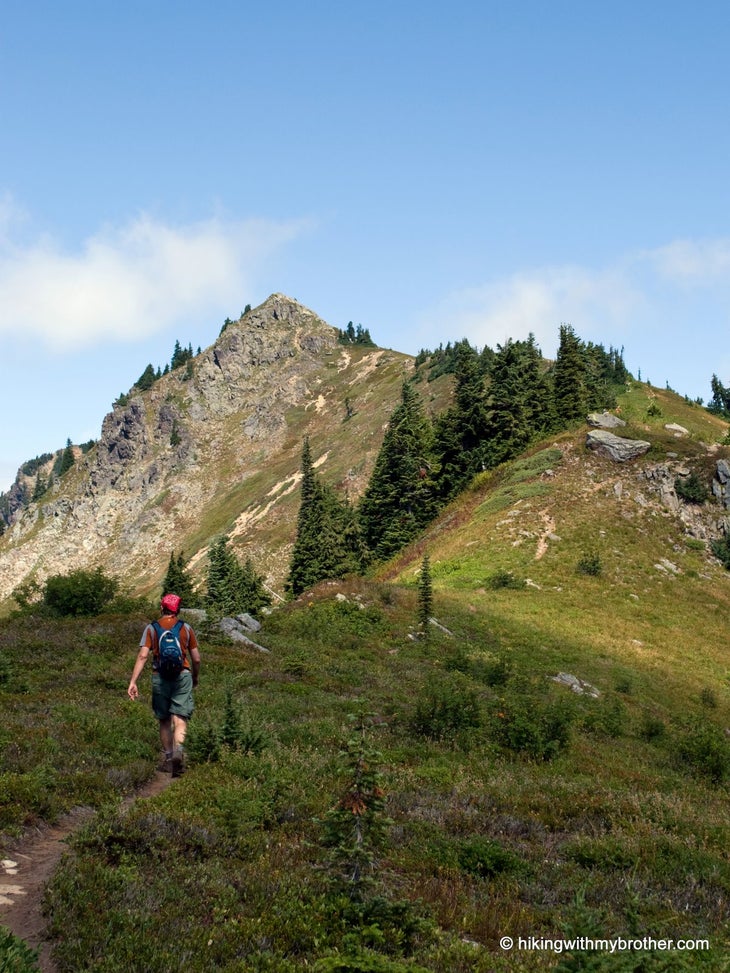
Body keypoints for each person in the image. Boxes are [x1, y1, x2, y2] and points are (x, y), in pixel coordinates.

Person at [127, 593, 201, 777]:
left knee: (164, 719)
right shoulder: (186, 628)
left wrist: (133, 681)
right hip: (182, 675)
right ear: (178, 610)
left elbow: (143, 656)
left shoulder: (152, 628)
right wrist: (195, 677)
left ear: (162, 608)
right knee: (180, 719)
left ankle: (168, 759)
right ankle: (179, 754)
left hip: (159, 677)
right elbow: (197, 659)